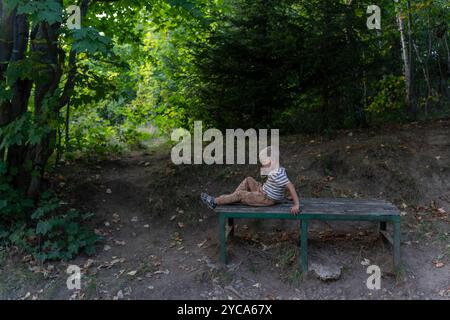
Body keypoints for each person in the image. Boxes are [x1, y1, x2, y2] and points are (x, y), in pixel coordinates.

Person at [200, 146, 300, 215]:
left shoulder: (278, 173)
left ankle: (215, 201)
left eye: (264, 162)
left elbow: (290, 186)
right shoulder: (276, 169)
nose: (262, 165)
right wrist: (286, 196)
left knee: (241, 194)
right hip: (263, 191)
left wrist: (296, 205)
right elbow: (281, 185)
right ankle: (233, 197)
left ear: (272, 161)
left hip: (266, 199)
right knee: (248, 179)